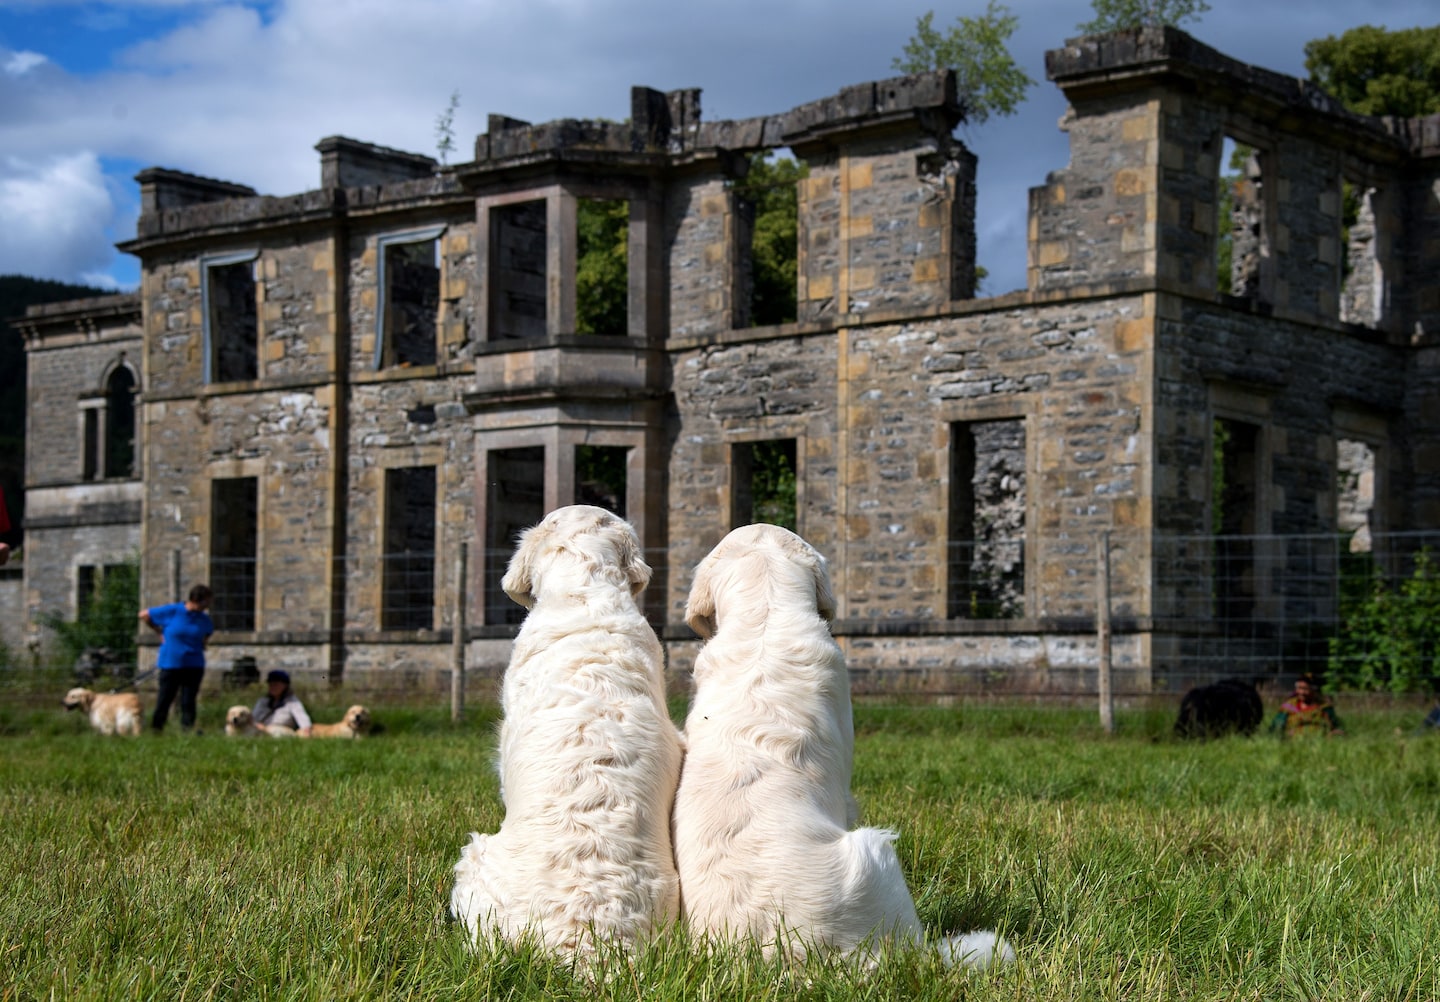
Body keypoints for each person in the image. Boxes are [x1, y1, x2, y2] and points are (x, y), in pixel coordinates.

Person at [140, 583, 214, 732]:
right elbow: (144, 614)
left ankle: (187, 730)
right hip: (171, 664)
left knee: (188, 700)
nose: (208, 605)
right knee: (165, 698)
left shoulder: (204, 619)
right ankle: (157, 729)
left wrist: (202, 643)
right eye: (206, 601)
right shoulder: (174, 611)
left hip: (194, 664)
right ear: (196, 600)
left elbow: (207, 634)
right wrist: (158, 631)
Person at [1270, 673, 1344, 738]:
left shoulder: (1324, 706)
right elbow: (1276, 727)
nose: (1302, 692)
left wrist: (1333, 733)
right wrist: (1285, 734)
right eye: (1299, 688)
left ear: (1313, 689)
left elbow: (1337, 726)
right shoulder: (1289, 706)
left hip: (1321, 741)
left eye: (1305, 689)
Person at [252, 669, 312, 737]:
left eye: (276, 684)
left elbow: (303, 719)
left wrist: (306, 730)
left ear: (285, 685)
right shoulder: (262, 701)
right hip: (260, 730)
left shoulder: (292, 702)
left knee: (274, 730)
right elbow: (253, 718)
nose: (272, 687)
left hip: (281, 731)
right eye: (270, 684)